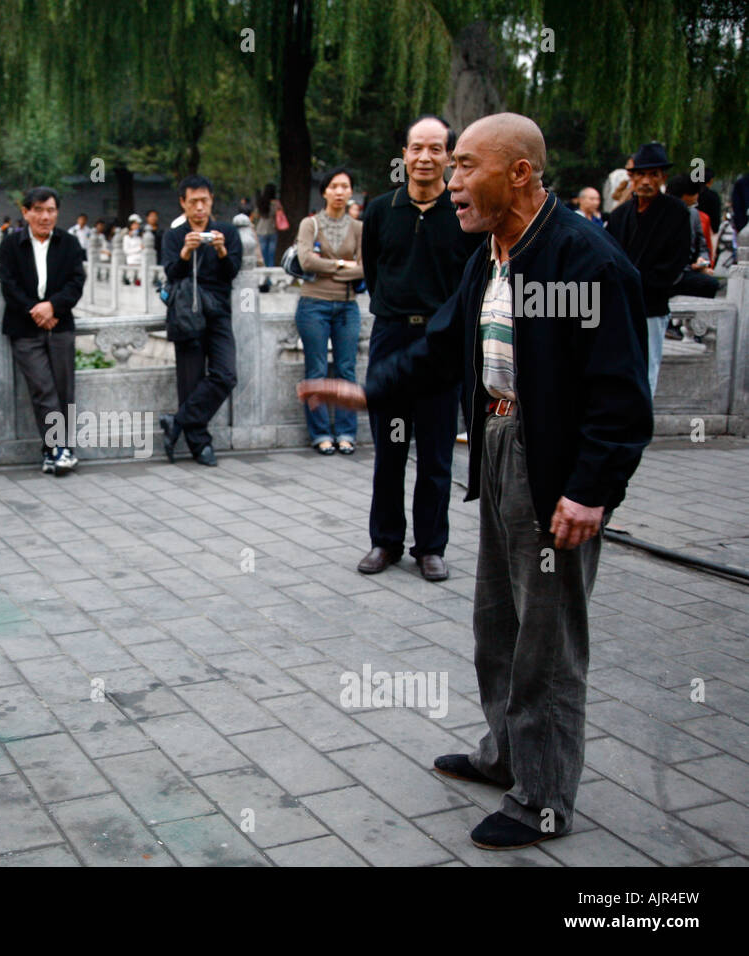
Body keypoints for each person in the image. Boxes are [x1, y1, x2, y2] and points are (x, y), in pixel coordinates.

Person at [300, 112, 651, 850]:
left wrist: (591, 491)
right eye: (449, 166)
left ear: (518, 173)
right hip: (494, 444)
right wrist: (371, 393)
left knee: (547, 641)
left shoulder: (585, 261)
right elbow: (436, 350)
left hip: (552, 460)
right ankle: (505, 755)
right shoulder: (490, 256)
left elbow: (620, 397)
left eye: (465, 165)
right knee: (498, 621)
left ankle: (544, 799)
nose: (448, 180)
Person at [358, 115, 484, 582]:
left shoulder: (465, 214)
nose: (425, 158)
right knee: (389, 450)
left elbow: (473, 283)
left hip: (442, 343)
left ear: (450, 156)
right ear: (404, 155)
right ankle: (385, 541)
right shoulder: (380, 210)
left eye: (436, 149)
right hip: (392, 337)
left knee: (435, 454)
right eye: (416, 148)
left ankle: (430, 546)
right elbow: (373, 270)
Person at [0, 186, 87, 475]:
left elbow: (76, 283)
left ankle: (54, 451)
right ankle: (60, 448)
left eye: (50, 210)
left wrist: (53, 307)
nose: (45, 216)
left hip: (59, 325)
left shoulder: (69, 243)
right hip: (24, 328)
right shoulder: (11, 244)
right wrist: (36, 310)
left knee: (63, 389)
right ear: (26, 212)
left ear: (57, 213)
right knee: (43, 389)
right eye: (38, 210)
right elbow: (8, 285)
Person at [159, 174, 243, 467]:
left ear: (211, 201)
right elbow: (171, 273)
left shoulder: (227, 232)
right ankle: (199, 444)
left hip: (218, 312)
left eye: (204, 201)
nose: (199, 208)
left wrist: (220, 250)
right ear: (182, 202)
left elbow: (232, 271)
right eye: (193, 201)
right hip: (185, 314)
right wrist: (185, 251)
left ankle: (177, 422)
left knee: (225, 373)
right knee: (190, 380)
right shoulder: (172, 235)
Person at [606, 142, 691, 397]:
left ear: (662, 178)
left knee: (647, 367)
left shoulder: (676, 212)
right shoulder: (621, 214)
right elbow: (607, 256)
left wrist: (641, 283)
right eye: (641, 174)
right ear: (631, 177)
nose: (646, 181)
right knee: (617, 367)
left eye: (653, 175)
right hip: (620, 304)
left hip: (651, 305)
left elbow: (675, 262)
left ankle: (640, 429)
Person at [293, 167, 363, 457]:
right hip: (313, 304)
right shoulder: (310, 224)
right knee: (318, 370)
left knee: (347, 369)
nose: (339, 192)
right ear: (324, 191)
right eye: (333, 186)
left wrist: (331, 267)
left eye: (344, 186)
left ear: (350, 192)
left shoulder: (359, 228)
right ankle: (320, 433)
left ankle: (346, 432)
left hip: (347, 305)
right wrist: (343, 266)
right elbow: (306, 261)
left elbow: (365, 267)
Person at [666, 172, 720, 303]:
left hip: (688, 270)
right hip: (667, 274)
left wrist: (702, 260)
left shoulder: (694, 214)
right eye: (695, 193)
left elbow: (702, 245)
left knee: (710, 283)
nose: (697, 198)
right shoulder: (662, 214)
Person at [254, 183, 279, 267]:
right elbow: (279, 213)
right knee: (271, 256)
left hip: (261, 229)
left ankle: (262, 274)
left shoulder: (261, 202)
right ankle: (270, 278)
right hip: (272, 228)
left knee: (262, 255)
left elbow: (256, 215)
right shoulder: (275, 203)